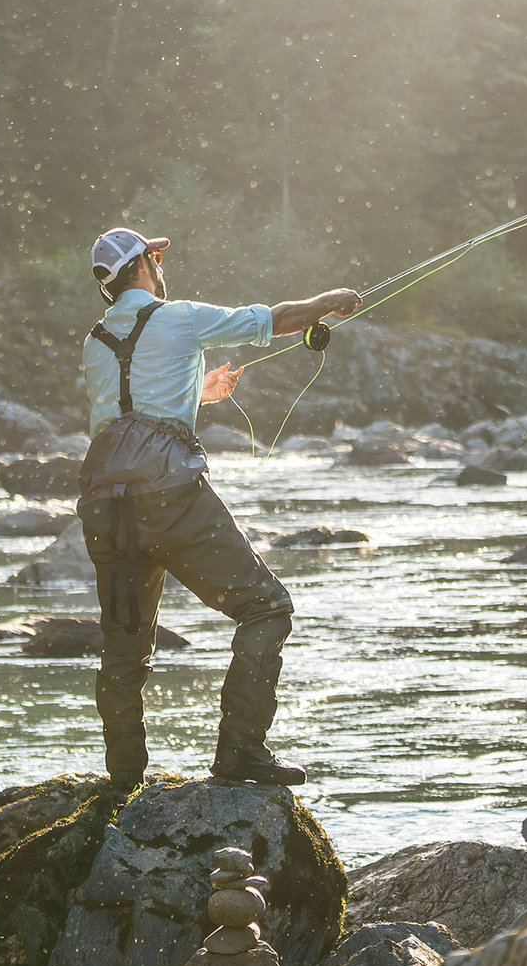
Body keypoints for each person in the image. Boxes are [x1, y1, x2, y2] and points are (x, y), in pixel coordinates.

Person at [75, 227, 361, 790]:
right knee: (267, 608)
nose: (161, 264)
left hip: (106, 501)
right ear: (147, 263)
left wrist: (195, 394)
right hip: (169, 493)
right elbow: (271, 319)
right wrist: (325, 304)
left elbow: (127, 409)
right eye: (155, 257)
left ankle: (122, 782)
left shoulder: (94, 339)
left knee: (124, 647)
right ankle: (240, 755)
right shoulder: (177, 315)